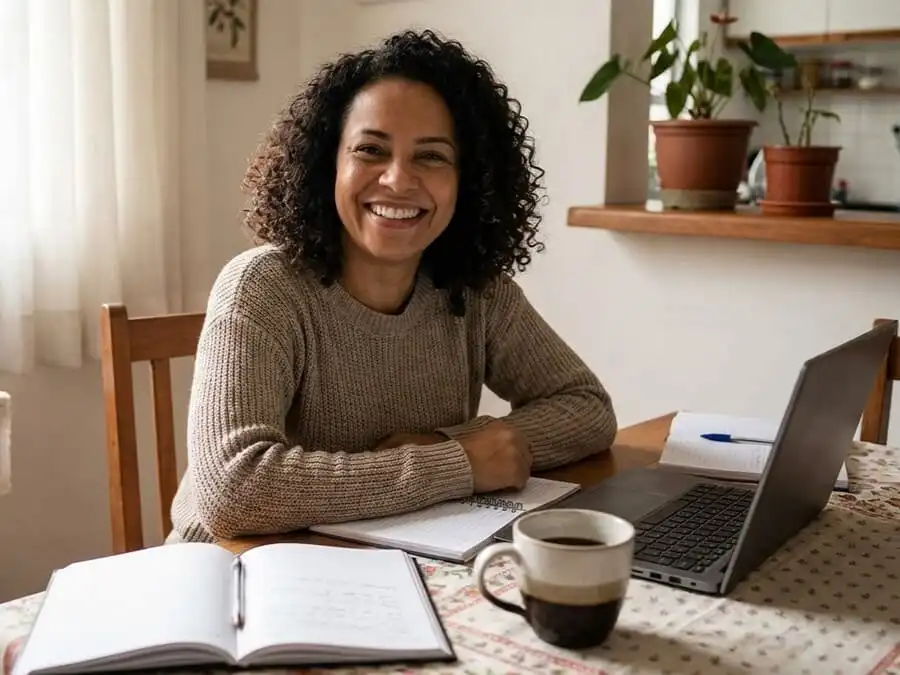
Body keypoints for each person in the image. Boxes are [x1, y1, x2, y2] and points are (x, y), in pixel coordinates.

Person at [168, 29, 617, 544]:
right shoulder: (262, 287)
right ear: (328, 164)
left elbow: (587, 407)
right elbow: (233, 492)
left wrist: (444, 443)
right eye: (370, 150)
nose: (398, 180)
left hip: (386, 559)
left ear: (469, 180)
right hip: (233, 566)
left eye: (431, 156)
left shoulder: (477, 291)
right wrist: (456, 464)